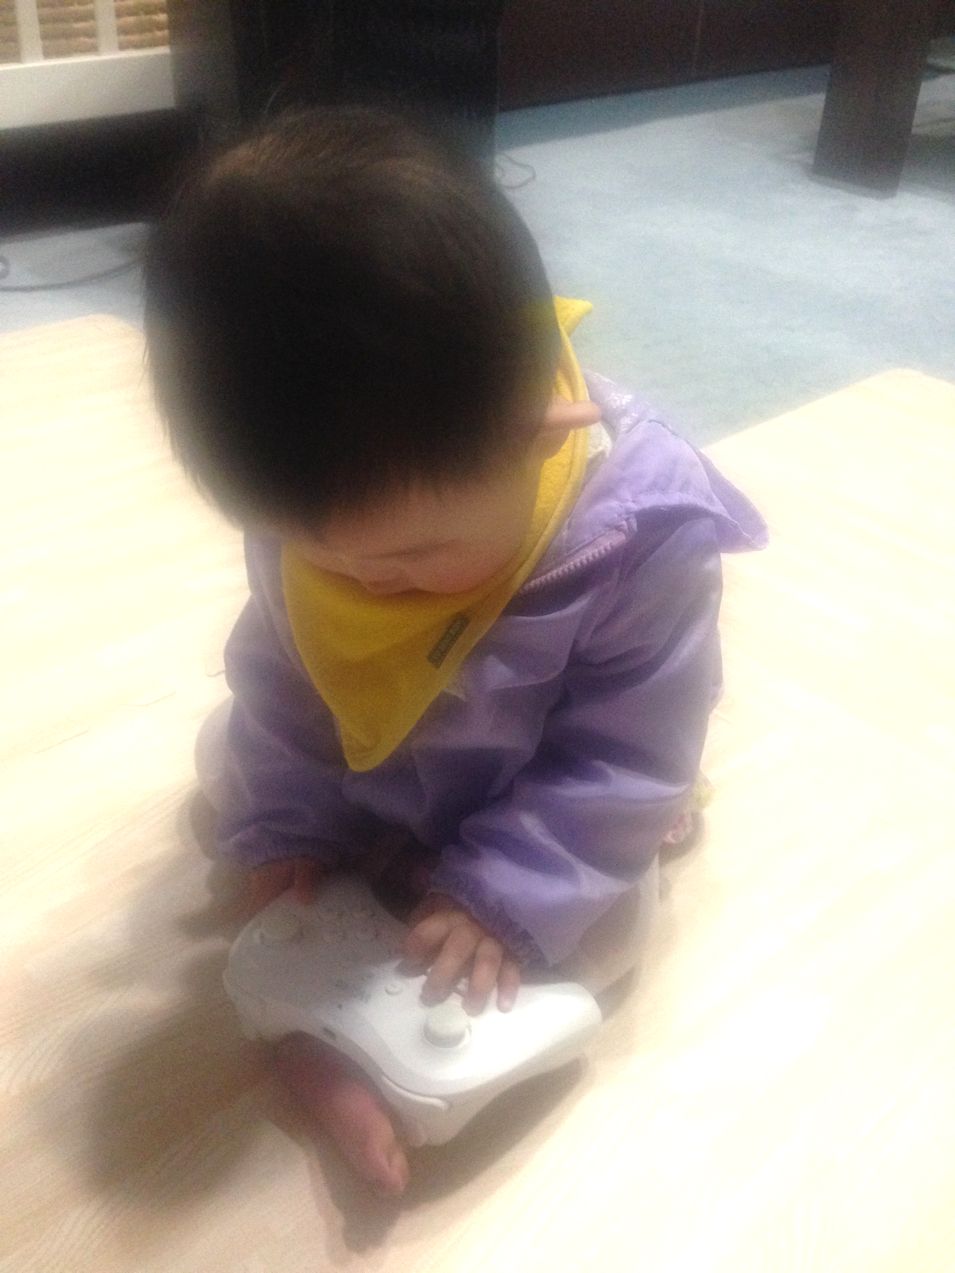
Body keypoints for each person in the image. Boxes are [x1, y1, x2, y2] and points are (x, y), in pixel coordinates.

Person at [143, 103, 767, 1199]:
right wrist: (288, 823)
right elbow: (284, 681)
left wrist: (502, 893)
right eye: (312, 549)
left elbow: (628, 752)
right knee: (224, 765)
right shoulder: (318, 495)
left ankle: (396, 1073)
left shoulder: (638, 535)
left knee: (610, 930)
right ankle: (320, 1013)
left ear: (537, 424)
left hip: (549, 794)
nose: (360, 582)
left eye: (412, 556)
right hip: (381, 771)